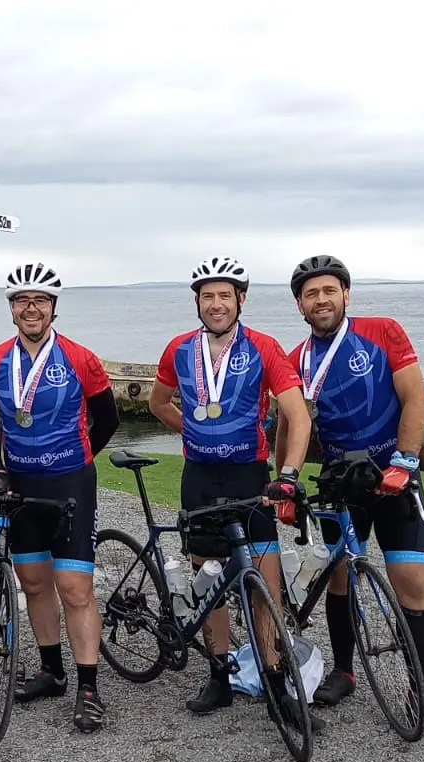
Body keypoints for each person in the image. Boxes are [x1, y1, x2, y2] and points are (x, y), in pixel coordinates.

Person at [149, 257, 319, 729]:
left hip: (250, 477)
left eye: (225, 295)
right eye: (208, 296)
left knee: (264, 584)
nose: (216, 303)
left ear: (241, 300)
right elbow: (158, 403)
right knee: (210, 581)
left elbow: (298, 415)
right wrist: (192, 432)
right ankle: (219, 676)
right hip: (200, 477)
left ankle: (275, 680)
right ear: (198, 303)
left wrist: (287, 473)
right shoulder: (179, 350)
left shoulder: (264, 347)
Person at [278, 254, 424, 732]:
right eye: (311, 294)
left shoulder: (383, 331)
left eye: (329, 290)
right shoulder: (296, 359)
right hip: (337, 482)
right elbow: (287, 426)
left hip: (391, 475)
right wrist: (284, 482)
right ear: (300, 305)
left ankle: (420, 687)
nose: (321, 299)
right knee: (340, 576)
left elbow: (415, 397)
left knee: (411, 580)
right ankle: (345, 671)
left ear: (346, 295)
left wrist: (405, 462)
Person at [0, 262, 121, 733]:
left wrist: (77, 461)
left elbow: (108, 418)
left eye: (40, 300)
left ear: (53, 308)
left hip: (70, 485)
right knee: (34, 583)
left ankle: (88, 687)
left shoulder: (80, 358)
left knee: (75, 588)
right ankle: (51, 670)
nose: (31, 307)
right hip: (19, 487)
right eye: (21, 300)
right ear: (12, 309)